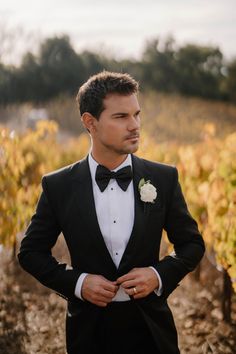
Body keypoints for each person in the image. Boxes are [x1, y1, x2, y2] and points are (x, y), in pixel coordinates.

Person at [18, 71, 205, 354]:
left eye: (136, 114)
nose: (134, 125)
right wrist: (79, 283)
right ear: (89, 122)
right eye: (121, 117)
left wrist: (157, 274)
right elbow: (30, 252)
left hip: (152, 333)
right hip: (89, 334)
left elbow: (192, 244)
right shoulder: (58, 185)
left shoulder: (163, 178)